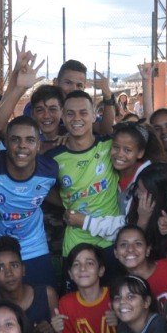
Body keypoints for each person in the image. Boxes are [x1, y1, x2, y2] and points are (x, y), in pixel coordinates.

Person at [0, 117, 59, 310]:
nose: (22, 146)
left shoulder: (50, 170)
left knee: (46, 308)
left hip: (31, 245)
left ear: (38, 145)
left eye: (29, 140)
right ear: (5, 144)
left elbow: (51, 193)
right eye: (15, 139)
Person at [46, 86, 120, 262]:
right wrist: (65, 203)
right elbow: (42, 188)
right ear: (63, 117)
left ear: (94, 116)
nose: (77, 118)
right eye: (70, 114)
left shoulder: (110, 146)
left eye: (83, 112)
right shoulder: (53, 157)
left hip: (111, 240)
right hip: (75, 245)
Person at [64, 121, 158, 243]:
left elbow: (132, 226)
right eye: (116, 147)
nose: (119, 154)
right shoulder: (112, 171)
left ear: (140, 153)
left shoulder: (146, 183)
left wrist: (86, 222)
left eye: (127, 150)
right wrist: (66, 140)